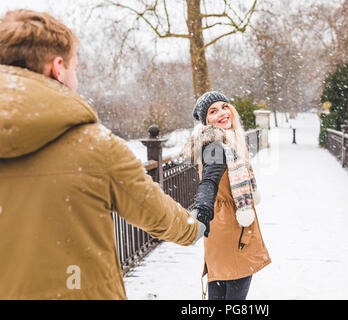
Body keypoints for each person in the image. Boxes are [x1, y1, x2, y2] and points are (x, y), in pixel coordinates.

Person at [0, 9, 224, 300]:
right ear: (57, 68)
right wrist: (193, 228)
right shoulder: (95, 148)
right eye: (74, 68)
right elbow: (155, 211)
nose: (75, 79)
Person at [187, 91, 272, 300]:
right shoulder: (215, 146)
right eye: (213, 111)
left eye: (224, 107)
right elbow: (209, 180)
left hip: (223, 229)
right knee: (234, 292)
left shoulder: (228, 141)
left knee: (220, 291)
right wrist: (203, 207)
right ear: (206, 120)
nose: (223, 113)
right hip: (230, 230)